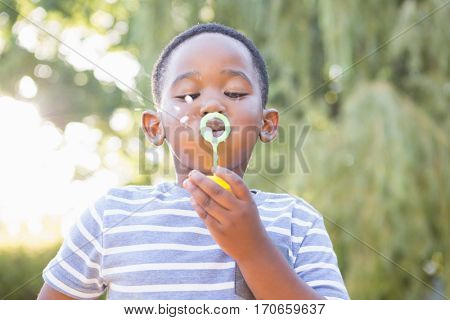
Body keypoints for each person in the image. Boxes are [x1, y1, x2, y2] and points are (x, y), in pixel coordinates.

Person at [38, 22, 349, 300]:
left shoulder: (296, 221)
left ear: (266, 125)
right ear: (154, 127)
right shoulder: (111, 216)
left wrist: (253, 250)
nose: (212, 104)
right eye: (188, 95)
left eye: (235, 92)